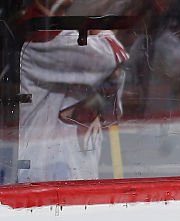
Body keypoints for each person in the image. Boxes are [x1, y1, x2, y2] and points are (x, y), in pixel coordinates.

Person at [17, 0, 129, 182]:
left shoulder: (76, 31)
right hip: (44, 180)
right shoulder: (39, 32)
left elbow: (112, 108)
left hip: (79, 171)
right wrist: (100, 29)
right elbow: (112, 57)